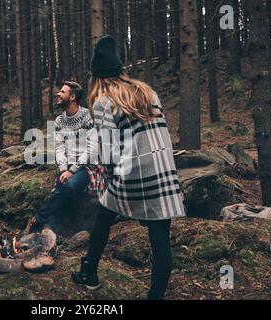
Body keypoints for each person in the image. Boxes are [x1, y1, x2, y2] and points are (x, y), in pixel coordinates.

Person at [71, 35, 186, 300]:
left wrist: (108, 178)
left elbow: (110, 151)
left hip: (133, 171)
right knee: (159, 238)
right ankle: (155, 296)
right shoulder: (147, 91)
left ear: (96, 76)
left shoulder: (102, 103)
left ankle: (89, 274)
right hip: (162, 167)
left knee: (104, 214)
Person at [26, 81, 95, 234]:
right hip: (67, 166)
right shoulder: (58, 121)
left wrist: (72, 170)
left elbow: (92, 148)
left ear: (72, 97)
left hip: (86, 166)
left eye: (62, 92)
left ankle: (38, 218)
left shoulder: (87, 116)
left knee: (68, 187)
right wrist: (64, 168)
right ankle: (49, 230)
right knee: (61, 188)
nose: (58, 94)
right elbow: (59, 148)